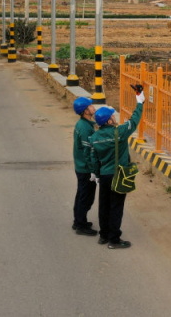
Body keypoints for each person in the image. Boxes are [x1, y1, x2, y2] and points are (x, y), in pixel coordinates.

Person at [89, 91, 145, 249]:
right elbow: (134, 121)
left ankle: (103, 235)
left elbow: (94, 159)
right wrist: (140, 102)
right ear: (108, 120)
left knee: (104, 206)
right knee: (116, 207)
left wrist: (97, 174)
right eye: (112, 116)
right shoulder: (119, 133)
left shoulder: (94, 138)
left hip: (104, 177)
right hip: (118, 175)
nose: (115, 118)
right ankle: (114, 239)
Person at [72, 97, 98, 236]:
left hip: (80, 166)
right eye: (90, 106)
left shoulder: (84, 124)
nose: (93, 108)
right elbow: (88, 152)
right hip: (85, 168)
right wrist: (94, 171)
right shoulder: (85, 128)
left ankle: (78, 221)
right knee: (86, 197)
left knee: (81, 194)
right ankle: (81, 225)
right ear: (85, 111)